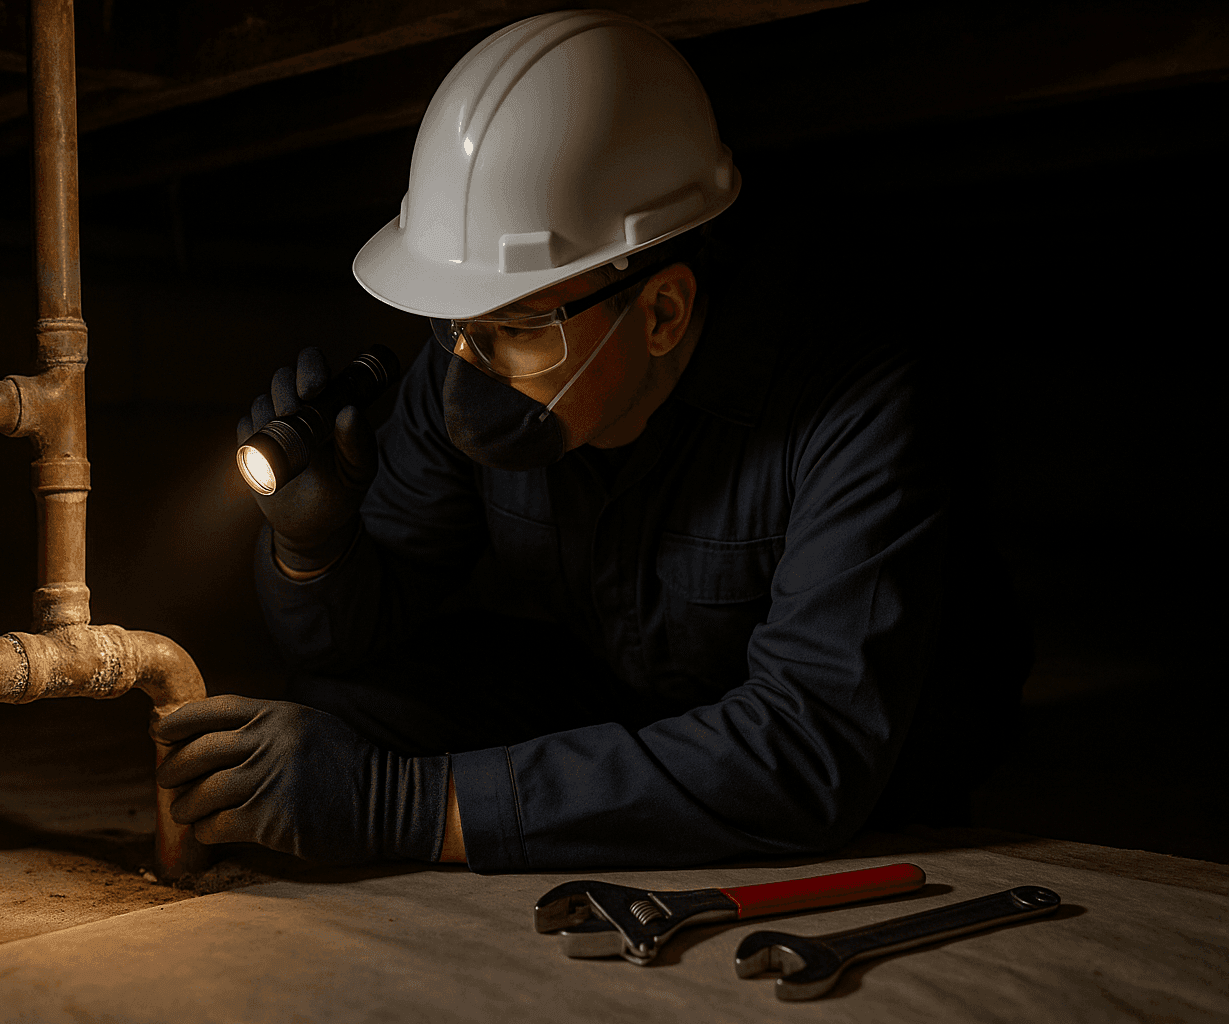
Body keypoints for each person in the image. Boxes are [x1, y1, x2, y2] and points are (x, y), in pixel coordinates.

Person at [156, 10, 1030, 871]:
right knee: (339, 712)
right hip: (636, 689)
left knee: (808, 773)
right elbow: (342, 648)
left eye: (517, 325)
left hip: (871, 735)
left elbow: (807, 752)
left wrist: (414, 809)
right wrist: (317, 551)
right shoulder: (470, 353)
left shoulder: (856, 393)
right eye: (454, 324)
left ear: (661, 311)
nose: (469, 364)